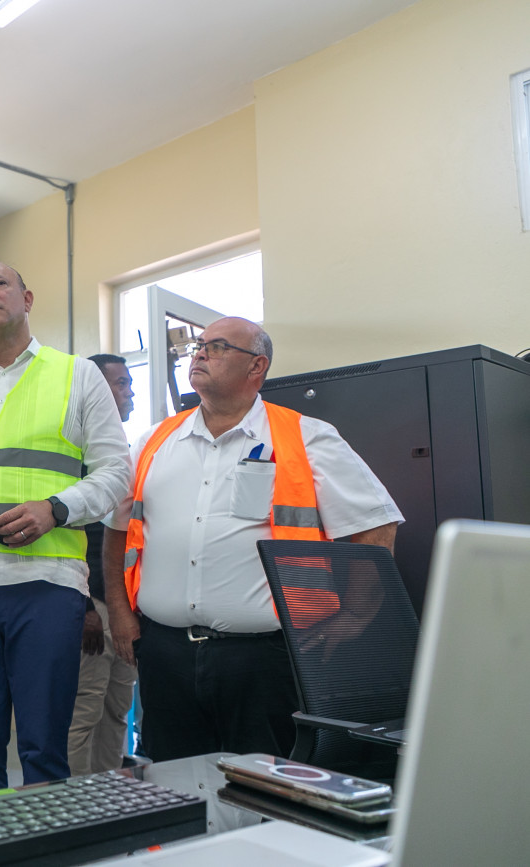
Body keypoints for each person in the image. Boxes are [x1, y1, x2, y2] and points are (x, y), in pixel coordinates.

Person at [104, 316, 403, 761]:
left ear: (256, 366)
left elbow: (375, 525)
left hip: (265, 658)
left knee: (263, 783)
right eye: (200, 345)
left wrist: (356, 615)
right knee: (173, 781)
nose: (200, 353)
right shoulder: (153, 441)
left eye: (218, 346)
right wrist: (119, 611)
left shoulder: (306, 437)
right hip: (164, 653)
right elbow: (116, 530)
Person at [0, 261, 132, 794]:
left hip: (47, 581)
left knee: (44, 747)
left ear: (27, 299)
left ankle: (45, 838)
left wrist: (55, 508)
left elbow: (116, 471)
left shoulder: (77, 376)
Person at [67, 354, 139, 775]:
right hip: (93, 605)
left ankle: (112, 796)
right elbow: (69, 537)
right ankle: (77, 804)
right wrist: (85, 609)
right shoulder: (76, 454)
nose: (130, 392)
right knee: (84, 712)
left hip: (125, 607)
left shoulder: (124, 454)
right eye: (122, 383)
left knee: (117, 711)